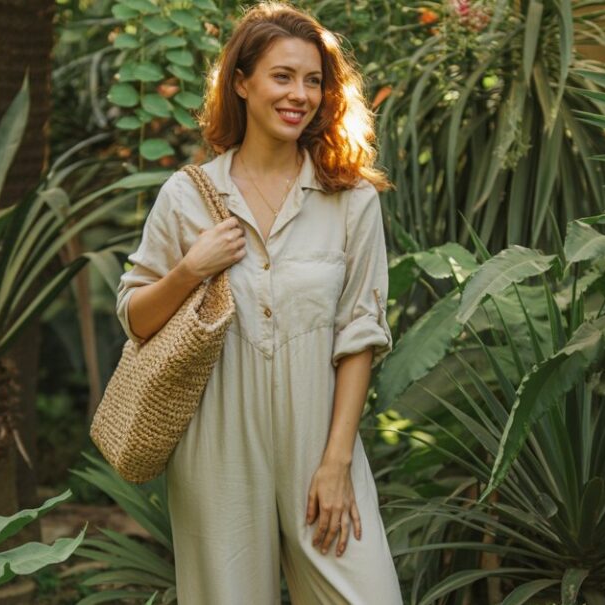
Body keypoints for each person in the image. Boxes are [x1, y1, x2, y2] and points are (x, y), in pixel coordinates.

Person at [115, 2, 403, 603]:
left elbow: (360, 335)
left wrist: (336, 462)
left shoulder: (351, 202)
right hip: (216, 449)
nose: (299, 94)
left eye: (314, 81)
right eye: (282, 76)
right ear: (241, 83)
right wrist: (190, 269)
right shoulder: (187, 197)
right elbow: (137, 318)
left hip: (318, 441)